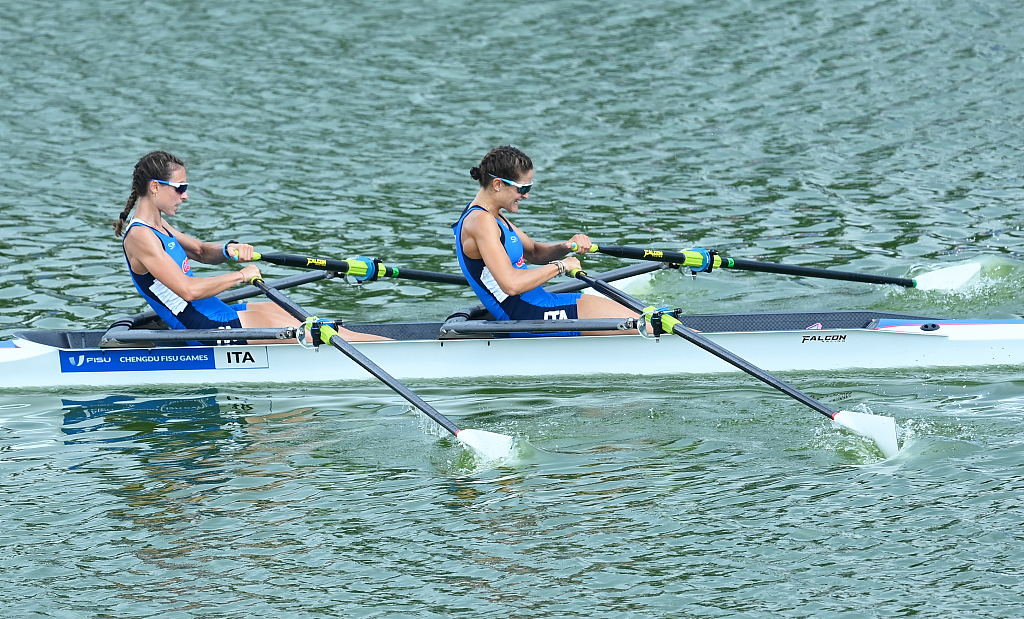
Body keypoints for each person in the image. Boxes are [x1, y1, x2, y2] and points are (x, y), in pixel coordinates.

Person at [114, 151, 382, 342]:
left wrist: (229, 249)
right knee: (306, 332)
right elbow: (188, 290)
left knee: (290, 314)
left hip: (219, 311)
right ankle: (393, 353)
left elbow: (200, 251)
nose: (185, 196)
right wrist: (241, 276)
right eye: (180, 188)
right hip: (204, 326)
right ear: (155, 187)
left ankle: (387, 346)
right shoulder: (141, 237)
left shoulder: (159, 225)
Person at [452, 145, 638, 336]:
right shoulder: (480, 221)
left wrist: (565, 246)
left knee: (641, 317)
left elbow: (534, 252)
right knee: (643, 327)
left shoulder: (493, 214)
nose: (526, 195)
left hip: (540, 303)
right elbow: (511, 284)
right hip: (525, 316)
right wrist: (560, 266)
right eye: (522, 188)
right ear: (498, 184)